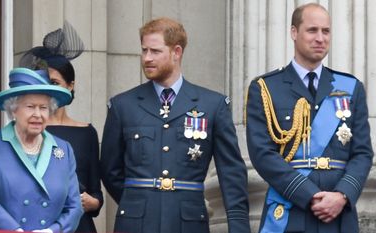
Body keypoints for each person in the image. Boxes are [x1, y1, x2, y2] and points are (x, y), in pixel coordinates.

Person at [100, 17, 250, 233]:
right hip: (136, 223)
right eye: (144, 51)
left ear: (176, 52)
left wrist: (239, 226)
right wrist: (136, 201)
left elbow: (231, 171)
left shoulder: (212, 105)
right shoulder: (123, 105)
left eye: (155, 51)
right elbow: (110, 169)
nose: (147, 58)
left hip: (188, 223)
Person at [246, 3, 373, 233]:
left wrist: (343, 195)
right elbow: (262, 153)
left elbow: (362, 153)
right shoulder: (265, 88)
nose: (320, 38)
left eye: (326, 31)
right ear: (294, 32)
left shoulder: (350, 87)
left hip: (339, 215)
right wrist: (310, 194)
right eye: (312, 30)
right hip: (290, 211)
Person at [0, 67, 83, 232]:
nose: (38, 114)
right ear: (14, 109)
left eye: (43, 108)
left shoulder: (63, 149)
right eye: (30, 106)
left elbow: (74, 206)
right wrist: (15, 230)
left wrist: (53, 231)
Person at [20, 22, 103, 233]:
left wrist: (92, 202)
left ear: (70, 85)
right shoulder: (25, 130)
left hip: (80, 226)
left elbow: (96, 193)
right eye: (44, 82)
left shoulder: (87, 132)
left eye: (55, 83)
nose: (49, 89)